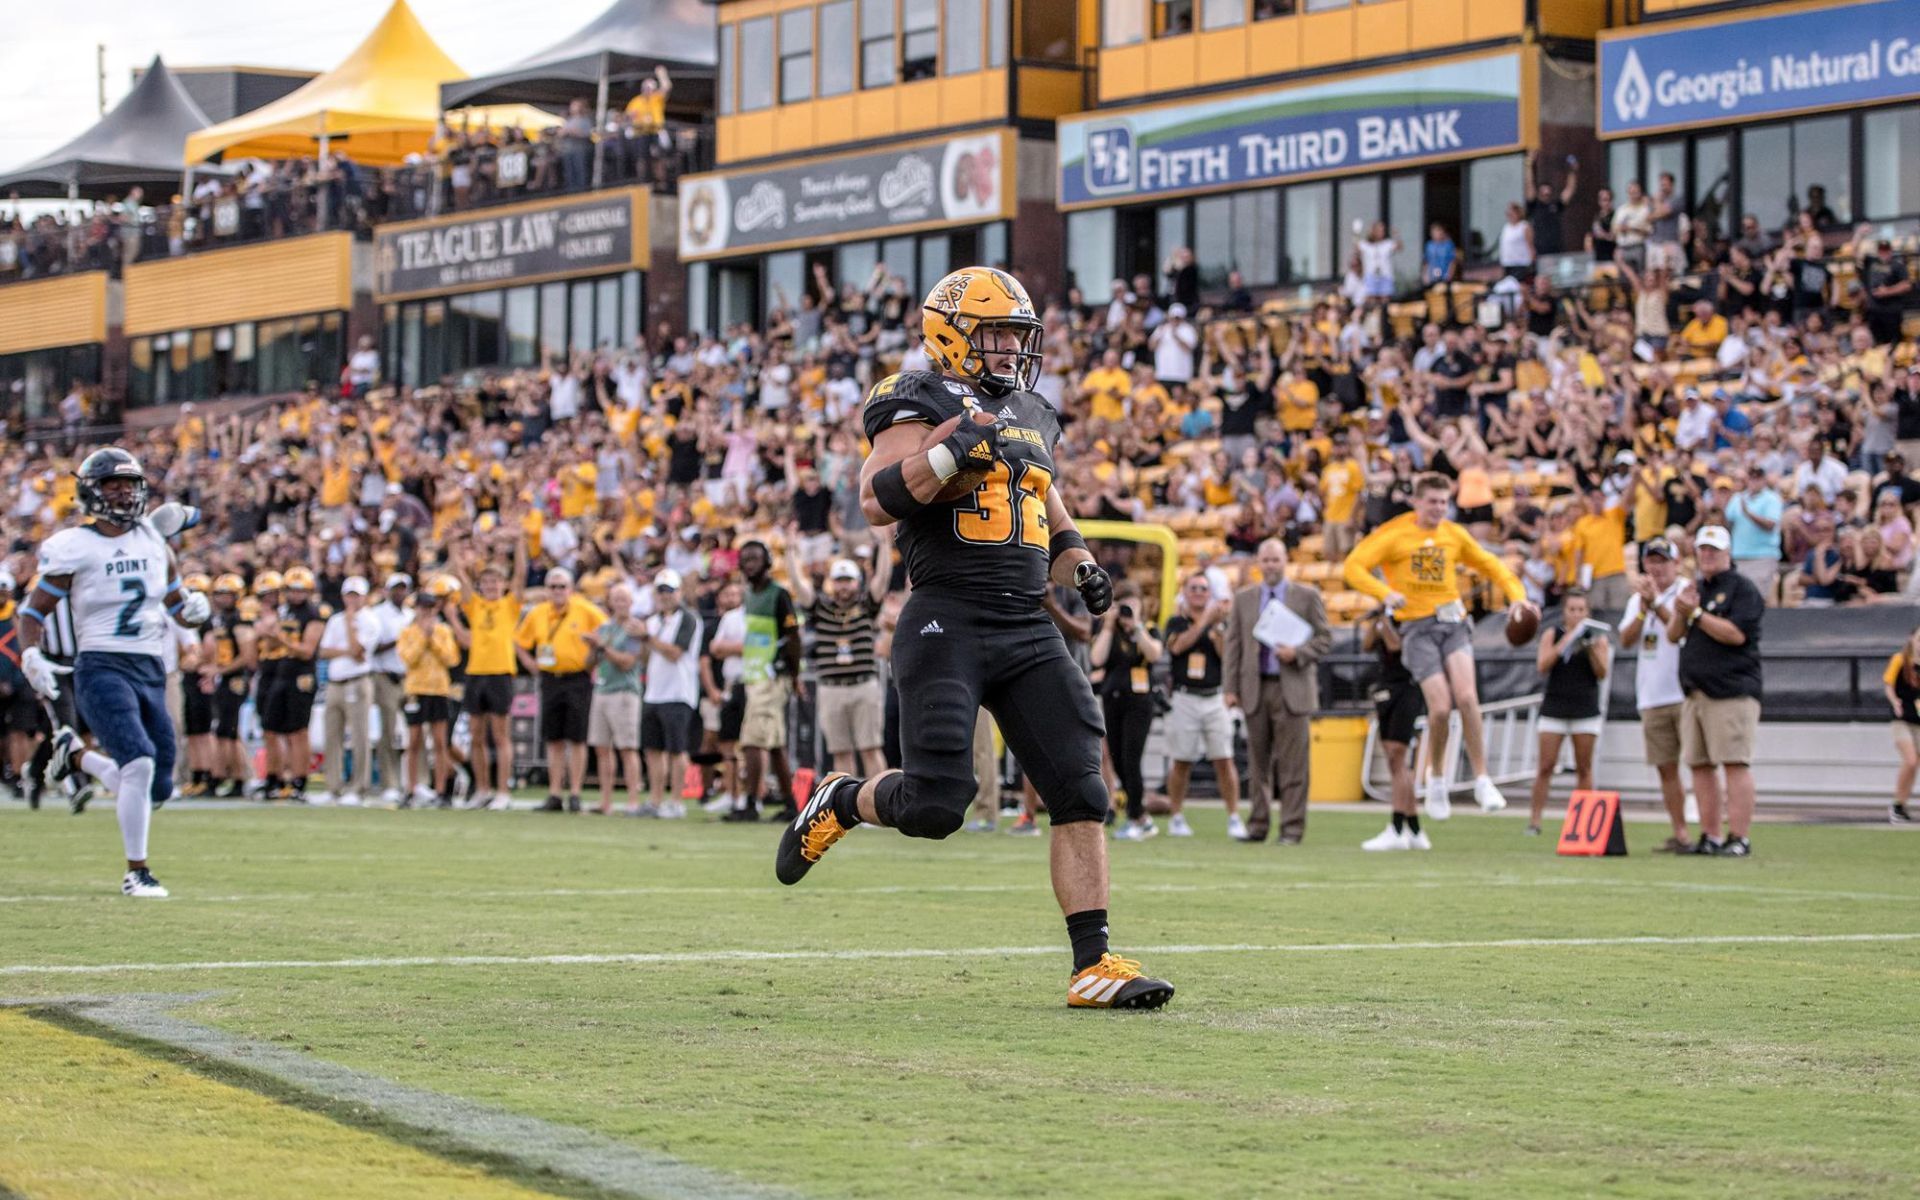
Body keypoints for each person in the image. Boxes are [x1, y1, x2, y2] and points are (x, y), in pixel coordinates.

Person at [775, 265, 1174, 1010]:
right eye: (994, 335)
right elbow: (876, 499)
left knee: (1081, 787)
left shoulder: (1031, 409)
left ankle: (1094, 964)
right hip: (946, 616)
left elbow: (1041, 492)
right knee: (937, 804)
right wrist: (950, 452)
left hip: (1026, 623)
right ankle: (843, 799)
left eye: (1016, 337)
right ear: (950, 335)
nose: (1008, 351)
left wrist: (1078, 556)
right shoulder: (914, 396)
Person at [22, 448, 211, 897]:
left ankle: (77, 757)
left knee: (158, 785)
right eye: (113, 485)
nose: (124, 492)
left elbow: (175, 605)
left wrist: (193, 611)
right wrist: (31, 654)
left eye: (130, 484)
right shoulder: (74, 546)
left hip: (150, 666)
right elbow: (34, 611)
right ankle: (137, 871)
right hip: (101, 664)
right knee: (139, 761)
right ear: (91, 492)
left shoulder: (153, 541)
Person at [1344, 472, 1538, 819]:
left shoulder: (1454, 534)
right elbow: (1353, 566)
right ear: (1417, 502)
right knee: (1439, 707)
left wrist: (1517, 598)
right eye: (1432, 501)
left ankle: (1482, 778)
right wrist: (1384, 593)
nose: (1438, 508)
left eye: (1444, 502)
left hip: (1452, 622)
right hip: (1417, 628)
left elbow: (1493, 566)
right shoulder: (1395, 534)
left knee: (1467, 696)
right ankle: (1435, 778)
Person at [1223, 538, 1330, 845]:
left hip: (1291, 687)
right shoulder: (1244, 599)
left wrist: (1297, 653)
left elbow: (1324, 639)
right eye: (1265, 560)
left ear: (1286, 561)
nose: (1270, 565)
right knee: (1258, 764)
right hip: (1254, 688)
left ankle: (1292, 829)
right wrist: (1230, 688)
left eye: (1275, 560)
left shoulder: (1307, 597)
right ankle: (1257, 825)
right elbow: (1234, 647)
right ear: (1258, 562)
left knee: (1293, 764)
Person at [1667, 526, 1764, 857]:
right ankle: (1711, 835)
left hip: (1730, 690)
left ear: (1728, 553)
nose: (1707, 555)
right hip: (1695, 692)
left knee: (1734, 763)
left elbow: (1736, 635)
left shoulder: (1742, 589)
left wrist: (1696, 613)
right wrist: (1683, 610)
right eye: (1702, 550)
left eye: (1713, 550)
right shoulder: (1696, 588)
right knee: (1699, 765)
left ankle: (1740, 837)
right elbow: (1673, 635)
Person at [787, 538, 892, 779]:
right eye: (839, 581)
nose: (843, 586)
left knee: (871, 749)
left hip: (863, 684)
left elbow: (882, 580)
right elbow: (798, 587)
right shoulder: (821, 609)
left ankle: (877, 808)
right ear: (831, 584)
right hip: (832, 687)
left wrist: (885, 545)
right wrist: (791, 552)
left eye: (848, 581)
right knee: (840, 751)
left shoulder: (866, 605)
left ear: (857, 583)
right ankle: (850, 811)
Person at [1618, 539, 1694, 852]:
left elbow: (1681, 632)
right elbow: (1625, 639)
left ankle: (1713, 828)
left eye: (1663, 561)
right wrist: (1643, 609)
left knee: (1701, 764)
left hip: (1684, 691)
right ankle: (1681, 832)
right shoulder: (1638, 598)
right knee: (1666, 767)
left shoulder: (1686, 591)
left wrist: (1657, 605)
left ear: (1676, 563)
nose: (1657, 568)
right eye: (1652, 561)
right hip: (1652, 694)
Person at [515, 567, 608, 813]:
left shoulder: (585, 609)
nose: (557, 591)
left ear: (571, 589)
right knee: (553, 738)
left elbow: (608, 631)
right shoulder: (538, 613)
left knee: (577, 737)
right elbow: (520, 641)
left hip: (577, 677)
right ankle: (555, 792)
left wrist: (595, 650)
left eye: (562, 586)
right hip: (550, 677)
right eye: (553, 587)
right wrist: (529, 663)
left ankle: (575, 791)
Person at [1161, 573, 1245, 840]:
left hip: (1214, 696)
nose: (1199, 592)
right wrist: (1203, 623)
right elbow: (1177, 648)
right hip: (1185, 696)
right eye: (1194, 588)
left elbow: (1227, 656)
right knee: (1182, 760)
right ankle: (1176, 815)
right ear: (1185, 592)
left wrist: (1216, 627)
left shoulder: (1221, 623)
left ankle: (1233, 816)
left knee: (1224, 758)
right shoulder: (1176, 622)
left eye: (1203, 589)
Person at [1526, 590, 1612, 836]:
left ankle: (1583, 823)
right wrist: (1565, 643)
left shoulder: (1597, 638)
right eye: (1572, 610)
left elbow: (1602, 672)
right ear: (1564, 612)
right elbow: (1542, 665)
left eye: (1581, 610)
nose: (1576, 615)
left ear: (1588, 613)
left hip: (1585, 708)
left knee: (1584, 768)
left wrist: (1589, 647)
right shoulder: (1553, 633)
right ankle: (1535, 820)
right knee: (1545, 766)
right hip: (1555, 706)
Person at [451, 542, 525, 811]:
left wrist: (520, 543)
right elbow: (459, 574)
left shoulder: (509, 605)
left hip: (500, 672)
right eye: (486, 581)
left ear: (503, 584)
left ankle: (503, 790)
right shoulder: (476, 605)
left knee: (501, 735)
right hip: (476, 672)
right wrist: (453, 544)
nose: (491, 585)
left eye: (496, 581)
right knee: (476, 735)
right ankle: (482, 789)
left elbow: (520, 574)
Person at [731, 540, 801, 822]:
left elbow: (793, 637)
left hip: (772, 676)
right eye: (745, 559)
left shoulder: (778, 595)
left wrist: (794, 675)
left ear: (767, 562)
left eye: (755, 559)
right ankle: (790, 804)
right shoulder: (748, 595)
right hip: (755, 676)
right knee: (773, 744)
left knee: (751, 741)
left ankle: (752, 802)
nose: (750, 564)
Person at [1094, 579, 1165, 841]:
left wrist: (1136, 626)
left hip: (1140, 701)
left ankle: (1135, 815)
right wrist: (1110, 626)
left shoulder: (1147, 629)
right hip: (1113, 698)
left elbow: (1155, 654)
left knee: (1131, 758)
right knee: (1117, 758)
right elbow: (1096, 658)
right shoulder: (1111, 632)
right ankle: (1141, 815)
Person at [1360, 611, 1429, 851]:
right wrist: (1376, 620)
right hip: (1386, 688)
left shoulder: (1411, 618)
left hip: (1406, 690)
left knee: (1398, 756)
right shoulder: (1382, 619)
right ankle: (1415, 829)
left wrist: (1386, 621)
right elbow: (1367, 644)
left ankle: (1397, 827)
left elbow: (1396, 645)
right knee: (1394, 761)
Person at [639, 568, 703, 819]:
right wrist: (645, 640)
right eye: (661, 591)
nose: (665, 596)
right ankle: (656, 799)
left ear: (678, 592)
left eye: (669, 590)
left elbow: (675, 652)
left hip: (678, 692)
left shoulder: (688, 619)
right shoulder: (654, 621)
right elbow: (646, 657)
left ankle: (676, 801)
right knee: (653, 748)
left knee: (677, 749)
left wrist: (647, 637)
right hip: (654, 691)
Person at [260, 566, 325, 802]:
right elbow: (270, 646)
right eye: (292, 590)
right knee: (271, 728)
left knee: (298, 731)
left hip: (301, 676)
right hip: (280, 672)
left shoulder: (313, 614)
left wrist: (279, 638)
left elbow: (307, 651)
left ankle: (299, 781)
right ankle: (273, 778)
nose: (296, 595)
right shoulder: (283, 611)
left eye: (300, 590)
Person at [399, 576, 463, 807]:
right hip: (416, 689)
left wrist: (432, 639)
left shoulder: (443, 631)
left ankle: (441, 789)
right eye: (421, 607)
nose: (425, 612)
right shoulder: (408, 632)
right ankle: (411, 788)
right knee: (413, 741)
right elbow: (408, 659)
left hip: (438, 689)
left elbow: (451, 658)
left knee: (439, 742)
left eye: (429, 607)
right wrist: (423, 638)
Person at [315, 576, 376, 806]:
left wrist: (351, 622)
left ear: (364, 597)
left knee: (359, 736)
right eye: (349, 595)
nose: (352, 600)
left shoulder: (370, 620)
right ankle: (333, 786)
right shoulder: (334, 619)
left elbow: (358, 652)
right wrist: (346, 650)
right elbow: (323, 651)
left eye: (356, 595)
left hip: (357, 681)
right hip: (335, 682)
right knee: (332, 737)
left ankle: (358, 787)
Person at [585, 582, 644, 816]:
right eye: (616, 599)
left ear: (631, 603)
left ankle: (632, 800)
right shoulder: (604, 628)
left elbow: (628, 661)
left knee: (627, 748)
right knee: (602, 749)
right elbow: (589, 664)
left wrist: (602, 648)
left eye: (624, 599)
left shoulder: (635, 628)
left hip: (624, 691)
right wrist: (592, 648)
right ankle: (605, 801)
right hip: (602, 689)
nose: (620, 603)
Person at [365, 573, 412, 805]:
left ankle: (416, 783)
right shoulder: (377, 615)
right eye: (396, 589)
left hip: (412, 678)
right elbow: (371, 648)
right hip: (386, 676)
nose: (400, 593)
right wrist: (400, 639)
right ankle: (390, 783)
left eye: (403, 589)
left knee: (416, 734)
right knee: (388, 733)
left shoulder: (412, 614)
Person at [1881, 625, 1920, 824]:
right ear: (1912, 639)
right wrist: (1894, 700)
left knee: (1915, 765)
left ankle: (1902, 804)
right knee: (1911, 760)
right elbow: (1888, 684)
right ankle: (1897, 804)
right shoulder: (1900, 660)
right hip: (1902, 719)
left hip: (1918, 720)